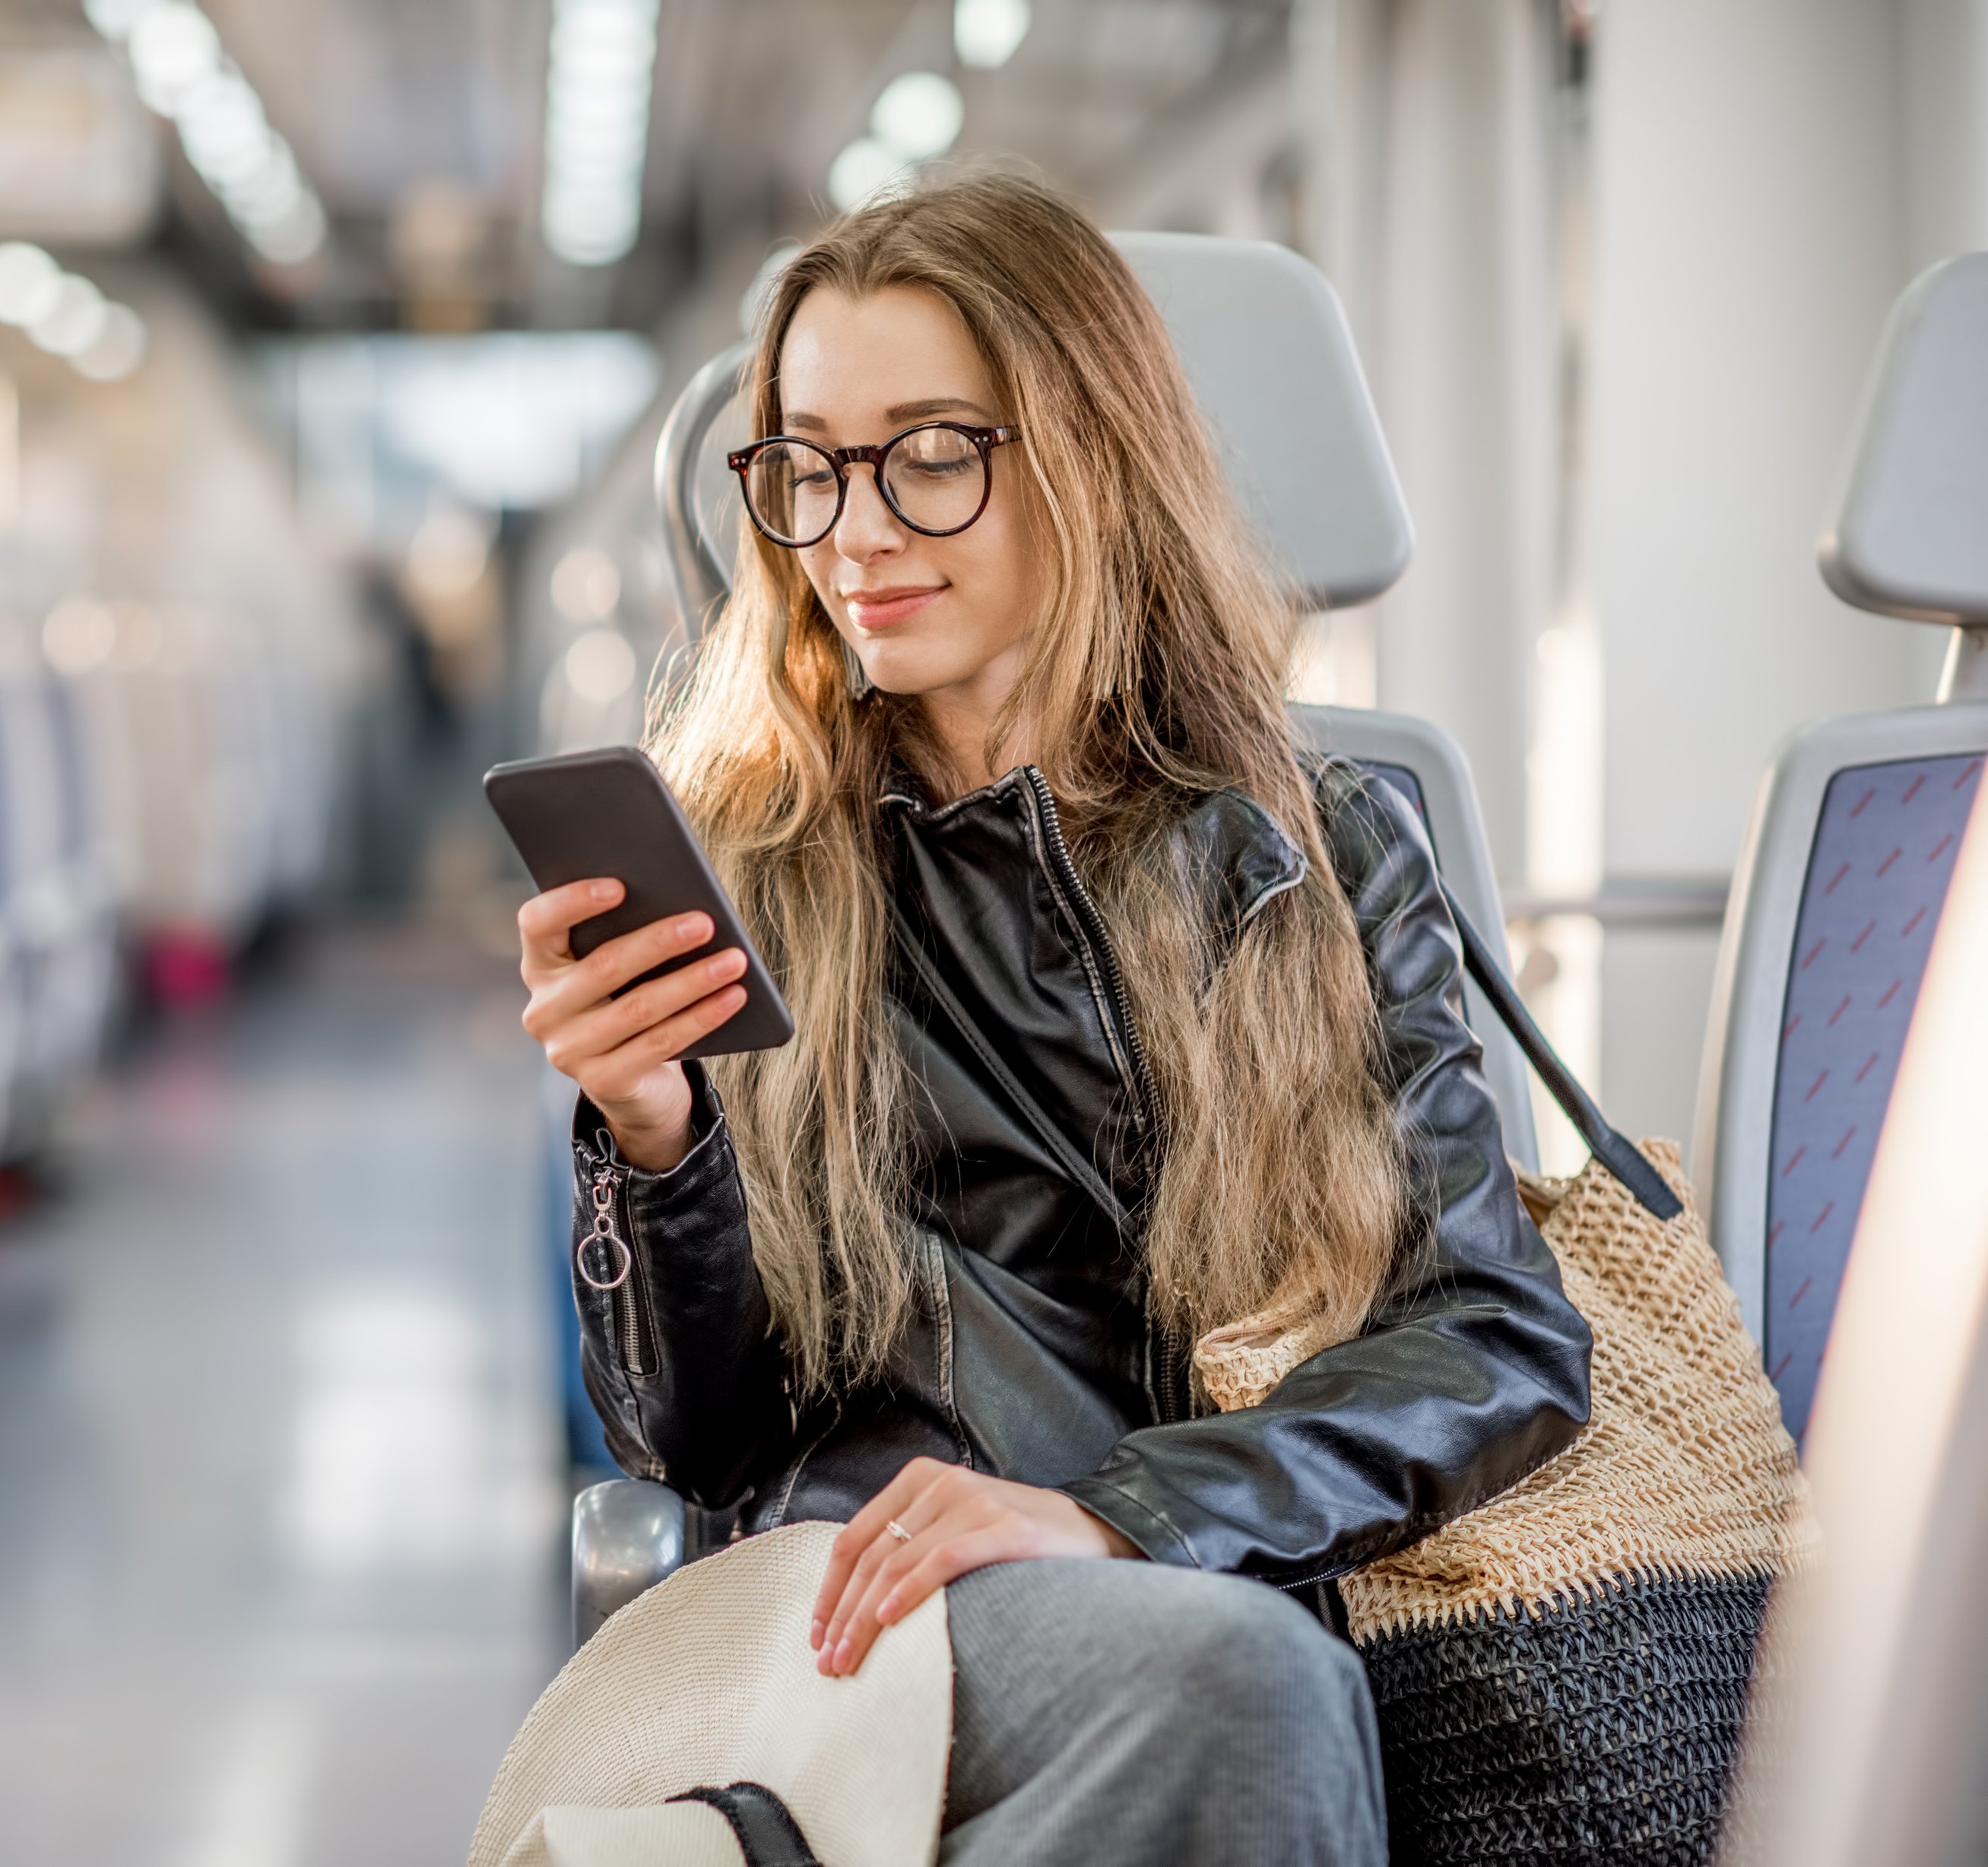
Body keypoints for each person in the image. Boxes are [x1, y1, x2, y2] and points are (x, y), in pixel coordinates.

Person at [515, 172, 1591, 1865]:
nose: (853, 532)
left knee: (1242, 1681)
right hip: (866, 1601)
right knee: (1249, 1694)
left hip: (1206, 1574)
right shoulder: (746, 853)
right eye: (804, 464)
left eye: (930, 453)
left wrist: (1119, 1515)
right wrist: (656, 1140)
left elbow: (1496, 1338)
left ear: (1086, 460)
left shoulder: (1311, 851)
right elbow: (693, 1436)